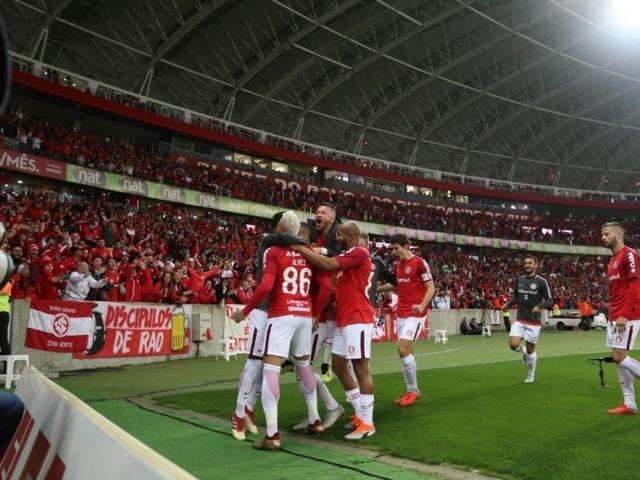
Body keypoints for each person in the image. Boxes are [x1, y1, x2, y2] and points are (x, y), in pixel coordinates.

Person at [233, 211, 329, 451]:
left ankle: (272, 435)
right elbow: (326, 286)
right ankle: (315, 420)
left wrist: (244, 312)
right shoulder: (307, 253)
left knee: (270, 370)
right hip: (305, 315)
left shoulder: (273, 250)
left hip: (281, 313)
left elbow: (266, 285)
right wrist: (315, 312)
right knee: (304, 366)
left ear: (279, 230)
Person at [293, 221, 376, 440]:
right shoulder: (349, 257)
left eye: (339, 234)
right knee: (339, 366)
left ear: (351, 236)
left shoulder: (359, 252)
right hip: (344, 319)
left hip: (358, 317)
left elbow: (329, 265)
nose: (336, 237)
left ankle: (368, 423)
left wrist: (302, 249)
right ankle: (360, 414)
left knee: (361, 368)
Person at [378, 234, 435, 407]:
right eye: (392, 249)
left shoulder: (419, 263)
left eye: (397, 248)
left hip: (416, 313)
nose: (394, 252)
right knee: (406, 353)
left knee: (402, 349)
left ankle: (413, 391)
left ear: (406, 246)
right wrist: (377, 288)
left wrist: (422, 304)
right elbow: (397, 285)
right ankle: (410, 390)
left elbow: (431, 287)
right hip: (402, 314)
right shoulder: (398, 265)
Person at [600, 222, 640, 415]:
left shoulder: (629, 254)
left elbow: (635, 286)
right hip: (614, 316)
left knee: (619, 356)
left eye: (606, 234)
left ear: (618, 234)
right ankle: (630, 404)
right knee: (619, 359)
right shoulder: (612, 260)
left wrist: (624, 314)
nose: (603, 238)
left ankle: (630, 403)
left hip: (628, 315)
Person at [506, 256, 553, 383]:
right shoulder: (519, 279)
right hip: (520, 319)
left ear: (535, 265)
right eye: (525, 263)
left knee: (531, 349)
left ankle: (531, 373)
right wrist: (508, 304)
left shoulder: (541, 281)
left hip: (534, 321)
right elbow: (516, 295)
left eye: (530, 263)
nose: (527, 265)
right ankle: (524, 351)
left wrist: (539, 306)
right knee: (513, 345)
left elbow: (549, 300)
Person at [309, 203, 341, 381]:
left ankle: (326, 372)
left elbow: (341, 255)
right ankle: (323, 372)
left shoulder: (338, 234)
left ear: (332, 217)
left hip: (333, 289)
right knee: (325, 336)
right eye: (316, 212)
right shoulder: (317, 233)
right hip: (323, 289)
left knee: (329, 336)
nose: (317, 214)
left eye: (322, 212)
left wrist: (320, 251)